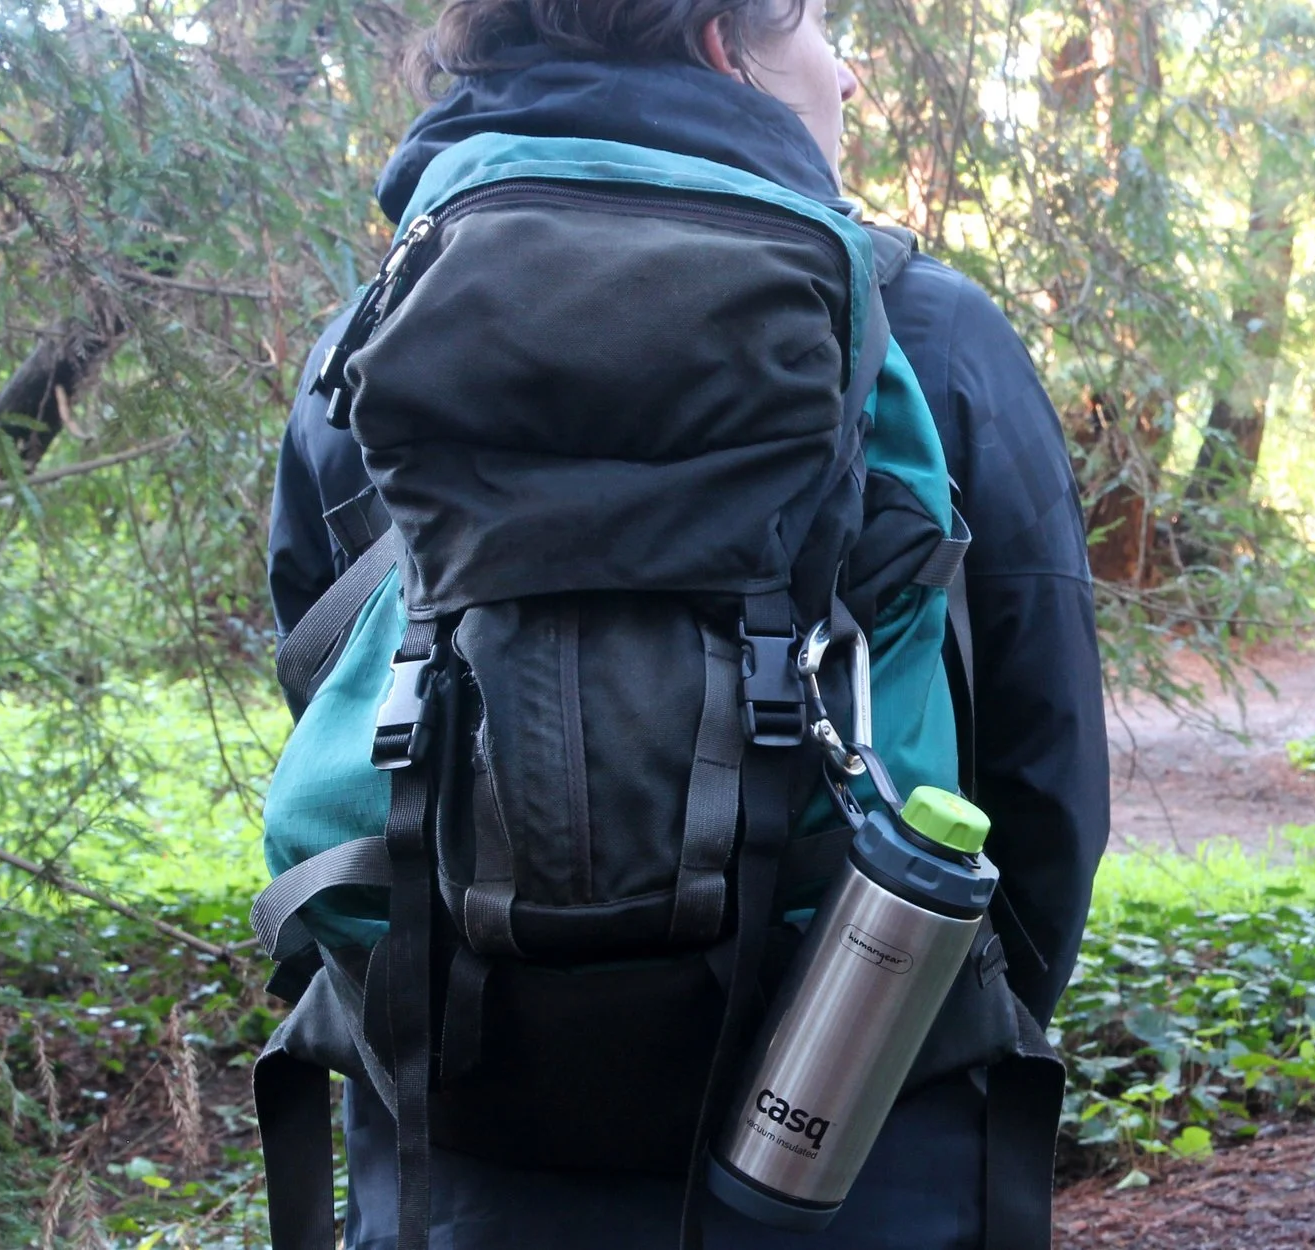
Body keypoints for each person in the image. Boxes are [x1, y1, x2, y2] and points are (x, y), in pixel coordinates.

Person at [262, 0, 1112, 1243]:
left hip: (465, 1133)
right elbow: (1043, 769)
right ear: (723, 44)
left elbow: (328, 684)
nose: (851, 71)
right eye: (819, 25)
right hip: (855, 1130)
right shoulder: (919, 326)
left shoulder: (375, 338)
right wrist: (932, 1012)